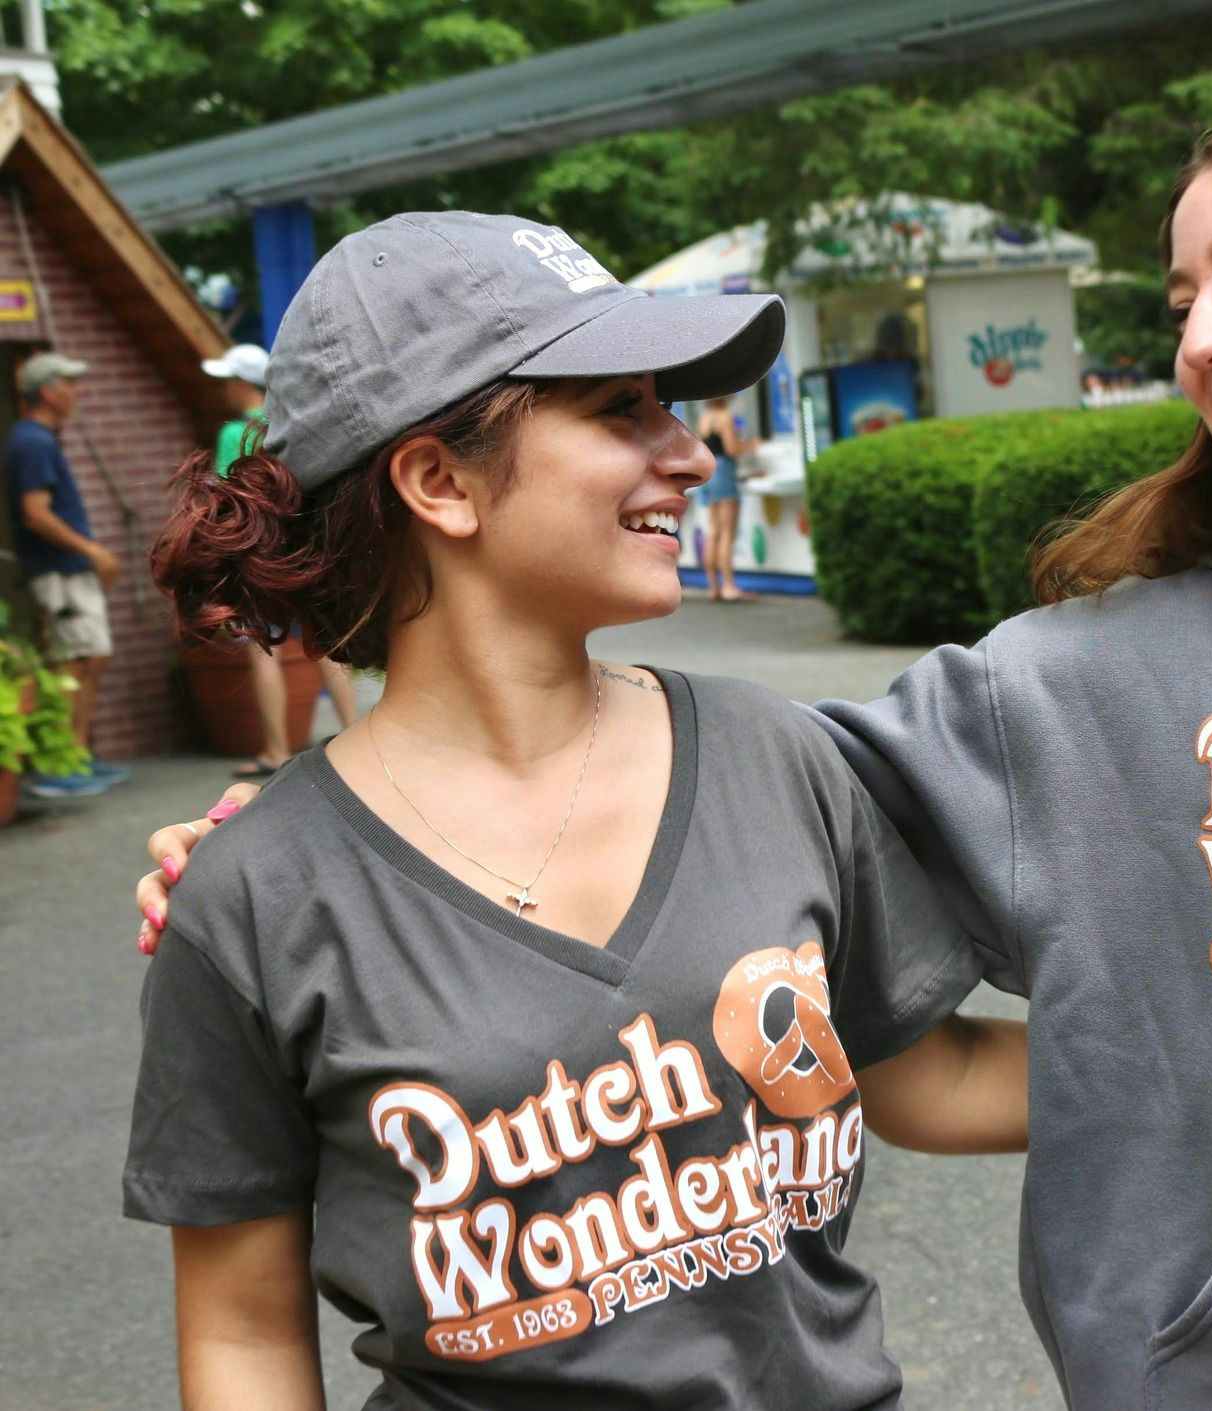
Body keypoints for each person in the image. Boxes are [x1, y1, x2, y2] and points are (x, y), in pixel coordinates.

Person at [141, 109, 1212, 1410]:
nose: (1199, 331)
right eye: (1180, 291)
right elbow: (655, 842)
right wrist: (303, 852)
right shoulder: (1054, 694)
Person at [128, 211, 1024, 1411]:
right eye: (620, 410)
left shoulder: (772, 752)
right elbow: (241, 1334)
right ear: (439, 481)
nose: (691, 454)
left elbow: (926, 1076)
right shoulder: (251, 897)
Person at [202, 342, 361, 777]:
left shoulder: (235, 433)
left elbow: (226, 497)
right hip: (303, 545)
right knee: (326, 645)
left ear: (241, 384)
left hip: (260, 550)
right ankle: (355, 735)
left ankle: (275, 749)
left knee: (262, 650)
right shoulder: (289, 424)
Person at [5, 349, 127, 797]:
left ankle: (76, 756)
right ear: (47, 392)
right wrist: (92, 551)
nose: (77, 392)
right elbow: (35, 513)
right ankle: (60, 765)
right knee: (73, 662)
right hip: (58, 571)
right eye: (69, 384)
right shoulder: (33, 442)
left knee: (87, 658)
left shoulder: (38, 440)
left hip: (66, 568)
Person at [695, 393, 755, 602]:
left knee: (714, 531)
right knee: (727, 532)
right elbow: (732, 449)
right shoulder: (725, 416)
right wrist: (752, 445)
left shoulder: (704, 418)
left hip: (710, 472)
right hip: (725, 473)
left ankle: (713, 586)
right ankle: (729, 585)